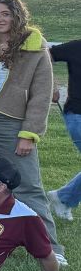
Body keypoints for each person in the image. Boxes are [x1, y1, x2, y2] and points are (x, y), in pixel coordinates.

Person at [0, 0, 64, 262]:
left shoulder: (34, 47)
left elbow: (42, 94)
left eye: (5, 14)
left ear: (17, 15)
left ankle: (51, 248)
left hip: (13, 123)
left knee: (28, 185)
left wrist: (30, 133)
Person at [47, 36, 81, 222]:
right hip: (78, 114)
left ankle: (63, 197)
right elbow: (45, 54)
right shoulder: (76, 46)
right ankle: (63, 197)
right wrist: (51, 86)